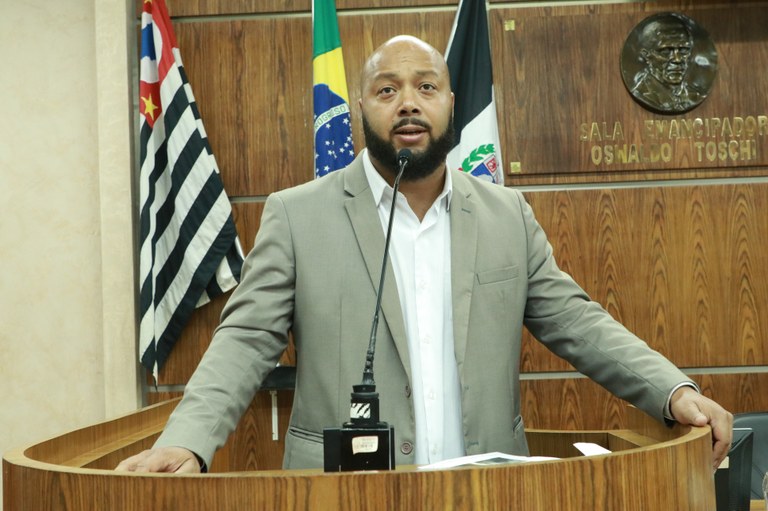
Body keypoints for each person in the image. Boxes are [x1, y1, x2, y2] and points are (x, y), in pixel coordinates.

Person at [117, 35, 732, 474]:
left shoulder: (506, 216)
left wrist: (672, 391)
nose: (408, 102)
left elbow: (577, 321)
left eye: (426, 87)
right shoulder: (296, 215)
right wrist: (188, 441)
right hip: (343, 491)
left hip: (487, 490)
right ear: (361, 108)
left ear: (450, 105)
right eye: (387, 89)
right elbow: (245, 339)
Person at [630, 15, 706, 113]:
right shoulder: (641, 94)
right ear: (646, 55)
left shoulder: (695, 96)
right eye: (665, 51)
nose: (677, 59)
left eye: (683, 50)